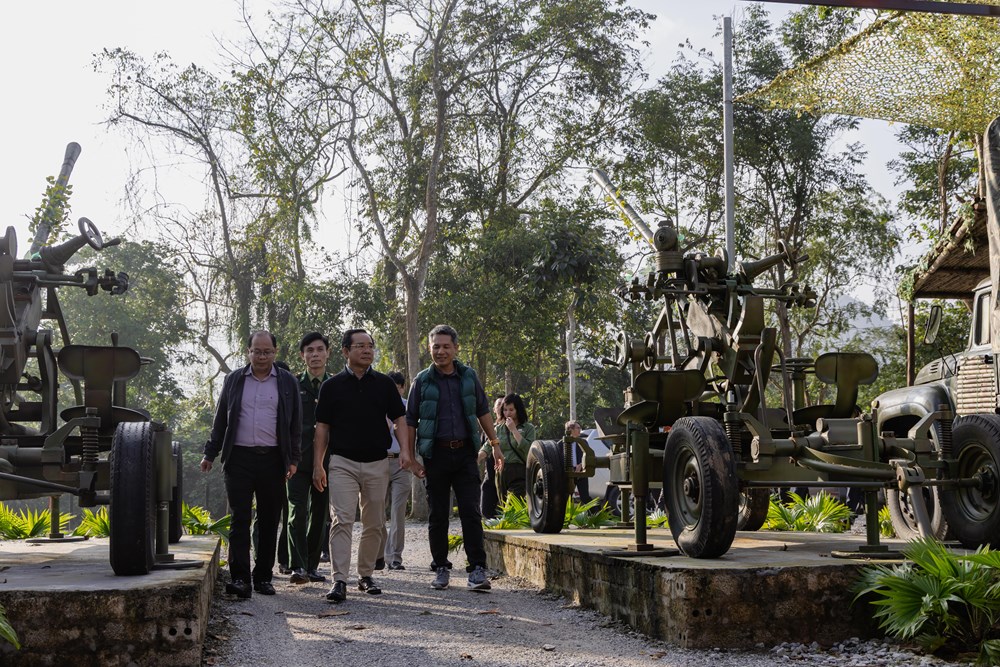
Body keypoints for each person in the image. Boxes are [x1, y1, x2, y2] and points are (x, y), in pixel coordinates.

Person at [201, 331, 302, 599]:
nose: (262, 357)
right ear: (248, 352)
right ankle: (240, 579)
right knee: (240, 519)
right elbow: (221, 418)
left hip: (273, 460)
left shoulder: (287, 382)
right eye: (257, 351)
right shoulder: (234, 380)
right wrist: (210, 453)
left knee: (269, 520)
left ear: (275, 353)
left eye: (267, 352)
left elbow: (294, 424)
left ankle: (263, 578)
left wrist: (293, 459)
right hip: (239, 459)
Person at [403, 324, 504, 592]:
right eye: (436, 346)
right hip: (435, 454)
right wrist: (410, 456)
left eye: (446, 346)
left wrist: (495, 444)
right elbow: (410, 419)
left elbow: (483, 411)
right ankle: (441, 568)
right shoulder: (421, 381)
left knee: (471, 512)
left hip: (465, 454)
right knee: (438, 515)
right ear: (429, 349)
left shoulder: (468, 376)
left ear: (456, 348)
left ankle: (477, 569)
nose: (441, 351)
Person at [312, 329, 407, 603]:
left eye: (370, 346)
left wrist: (406, 453)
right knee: (341, 519)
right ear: (345, 351)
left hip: (378, 462)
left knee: (375, 522)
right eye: (360, 346)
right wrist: (319, 464)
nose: (366, 350)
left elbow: (399, 419)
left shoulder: (385, 385)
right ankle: (339, 580)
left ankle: (365, 576)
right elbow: (322, 429)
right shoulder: (331, 387)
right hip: (342, 462)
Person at [286, 332, 332, 585]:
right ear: (302, 356)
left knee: (320, 514)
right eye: (309, 351)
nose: (315, 355)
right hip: (297, 460)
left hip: (327, 460)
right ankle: (297, 566)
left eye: (319, 350)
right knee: (297, 512)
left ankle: (313, 566)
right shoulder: (292, 384)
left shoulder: (335, 384)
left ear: (328, 353)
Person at [377, 371, 411, 571]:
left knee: (398, 511)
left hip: (401, 463)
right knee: (376, 512)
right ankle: (380, 553)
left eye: (398, 386)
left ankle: (395, 557)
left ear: (402, 387)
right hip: (379, 462)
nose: (394, 390)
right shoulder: (376, 404)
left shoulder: (407, 407)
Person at [479, 393, 535, 502]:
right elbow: (487, 447)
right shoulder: (498, 429)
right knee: (504, 508)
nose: (507, 413)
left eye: (511, 410)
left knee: (513, 506)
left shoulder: (528, 428)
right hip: (501, 472)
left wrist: (514, 430)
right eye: (505, 410)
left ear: (518, 410)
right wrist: (477, 458)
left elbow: (529, 450)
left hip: (519, 472)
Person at [479, 398, 503, 519]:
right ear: (493, 409)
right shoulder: (487, 431)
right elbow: (484, 450)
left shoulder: (517, 428)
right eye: (498, 404)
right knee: (486, 511)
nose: (501, 407)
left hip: (508, 477)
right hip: (490, 475)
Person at [565, 420, 592, 503]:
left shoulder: (583, 442)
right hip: (568, 474)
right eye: (578, 428)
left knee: (585, 497)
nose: (580, 430)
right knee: (566, 497)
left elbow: (588, 456)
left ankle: (594, 514)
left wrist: (581, 465)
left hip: (581, 473)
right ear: (570, 430)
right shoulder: (562, 444)